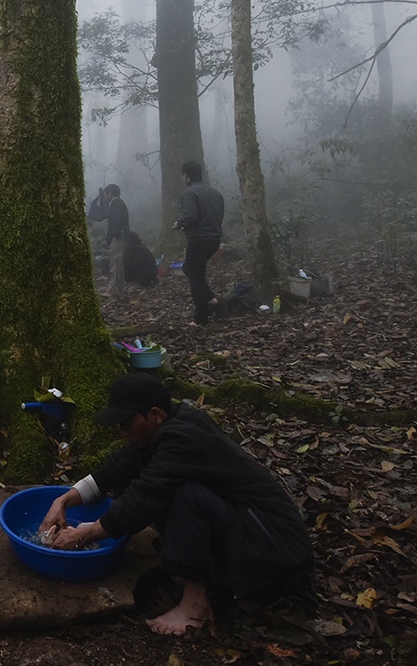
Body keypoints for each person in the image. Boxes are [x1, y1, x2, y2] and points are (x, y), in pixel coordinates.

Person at [41, 372, 312, 635]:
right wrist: (63, 500)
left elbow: (141, 500)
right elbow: (115, 471)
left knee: (183, 494)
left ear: (155, 415)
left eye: (126, 422)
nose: (121, 431)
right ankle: (218, 571)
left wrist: (83, 534)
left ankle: (195, 607)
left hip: (278, 553)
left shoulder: (183, 439)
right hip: (259, 539)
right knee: (173, 492)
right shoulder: (164, 429)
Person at [175, 161, 225, 325]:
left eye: (183, 176)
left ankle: (201, 318)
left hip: (198, 239)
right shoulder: (215, 193)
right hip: (214, 239)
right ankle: (211, 300)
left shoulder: (189, 193)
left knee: (195, 277)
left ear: (186, 176)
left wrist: (179, 223)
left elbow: (190, 215)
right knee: (191, 269)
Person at [102, 185, 132, 294]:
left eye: (105, 194)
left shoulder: (116, 204)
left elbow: (115, 223)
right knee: (118, 262)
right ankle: (120, 287)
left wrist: (109, 238)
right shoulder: (118, 204)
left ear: (110, 194)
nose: (104, 197)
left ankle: (112, 288)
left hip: (118, 237)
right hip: (119, 236)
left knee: (115, 262)